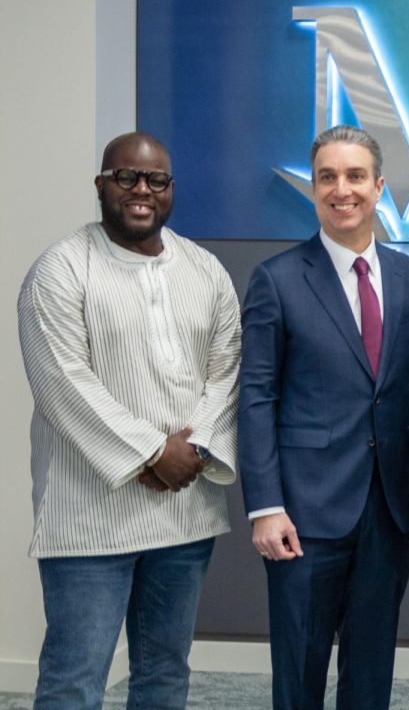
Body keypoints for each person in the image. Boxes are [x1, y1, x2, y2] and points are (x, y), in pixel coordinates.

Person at [16, 132, 241, 709]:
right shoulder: (60, 270)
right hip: (89, 515)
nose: (141, 190)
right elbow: (64, 382)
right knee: (74, 679)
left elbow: (229, 369)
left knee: (165, 674)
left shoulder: (205, 269)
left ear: (170, 190)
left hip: (184, 514)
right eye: (126, 178)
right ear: (102, 185)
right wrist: (150, 451)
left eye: (156, 180)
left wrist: (191, 451)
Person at [238, 125, 409, 710]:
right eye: (327, 177)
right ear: (314, 189)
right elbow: (256, 398)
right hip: (303, 515)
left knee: (371, 670)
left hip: (388, 510)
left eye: (355, 176)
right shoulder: (277, 278)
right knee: (299, 671)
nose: (340, 189)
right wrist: (266, 507)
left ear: (378, 188)